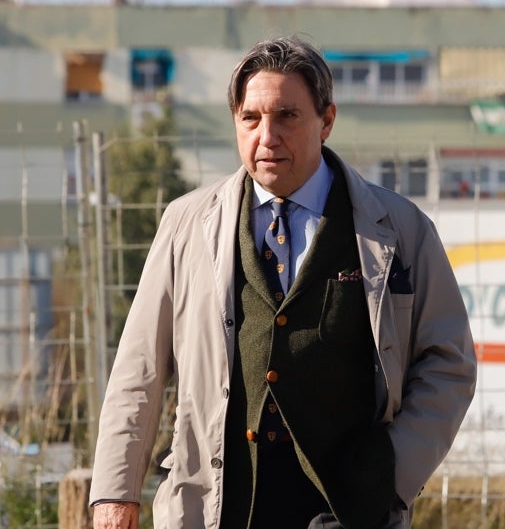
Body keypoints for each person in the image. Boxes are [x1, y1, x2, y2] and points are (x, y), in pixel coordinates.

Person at [89, 36, 477, 529]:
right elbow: (138, 369)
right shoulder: (186, 224)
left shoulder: (400, 229)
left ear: (327, 121)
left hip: (347, 512)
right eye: (250, 118)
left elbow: (449, 365)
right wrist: (114, 493)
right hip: (214, 508)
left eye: (287, 117)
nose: (266, 136)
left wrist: (389, 477)